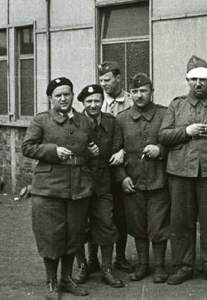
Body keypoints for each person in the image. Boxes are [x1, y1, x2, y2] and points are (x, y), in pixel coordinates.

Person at [158, 55, 207, 286]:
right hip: (181, 170)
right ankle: (183, 266)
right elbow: (163, 135)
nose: (198, 84)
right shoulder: (176, 104)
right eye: (193, 80)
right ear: (187, 80)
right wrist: (187, 131)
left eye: (202, 79)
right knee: (181, 222)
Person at [22, 77, 97, 298]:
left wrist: (91, 151)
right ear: (50, 98)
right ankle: (51, 283)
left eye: (67, 94)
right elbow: (28, 147)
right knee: (51, 236)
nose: (64, 99)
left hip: (78, 188)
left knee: (73, 235)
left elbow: (89, 144)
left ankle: (66, 279)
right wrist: (53, 151)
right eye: (58, 95)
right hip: (49, 189)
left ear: (73, 95)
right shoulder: (41, 120)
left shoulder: (84, 121)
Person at [114, 73, 170, 283]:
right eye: (135, 92)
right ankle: (143, 265)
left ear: (151, 92)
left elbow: (172, 144)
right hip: (133, 182)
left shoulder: (165, 115)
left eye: (143, 91)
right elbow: (116, 151)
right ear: (131, 94)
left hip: (159, 181)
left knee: (158, 226)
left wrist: (160, 150)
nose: (139, 95)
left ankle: (161, 267)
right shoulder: (121, 119)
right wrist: (121, 178)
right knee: (138, 226)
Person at [72, 84, 124, 288]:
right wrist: (85, 151)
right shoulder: (74, 122)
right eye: (89, 101)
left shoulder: (111, 122)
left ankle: (106, 269)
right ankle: (83, 265)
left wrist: (120, 153)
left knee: (105, 223)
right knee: (77, 226)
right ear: (83, 103)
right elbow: (68, 149)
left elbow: (117, 147)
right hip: (78, 182)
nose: (93, 105)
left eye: (97, 101)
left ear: (102, 102)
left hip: (103, 183)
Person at [98, 61, 134, 274]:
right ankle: (95, 260)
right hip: (100, 169)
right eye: (101, 80)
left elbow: (138, 134)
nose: (104, 84)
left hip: (122, 167)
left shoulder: (132, 100)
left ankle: (120, 257)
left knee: (120, 215)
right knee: (98, 215)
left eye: (108, 80)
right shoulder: (96, 101)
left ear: (118, 78)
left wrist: (124, 152)